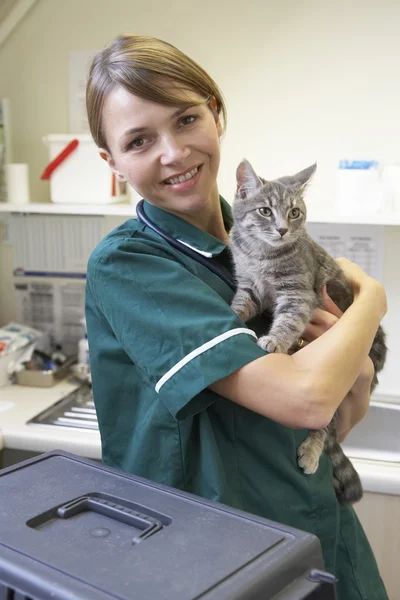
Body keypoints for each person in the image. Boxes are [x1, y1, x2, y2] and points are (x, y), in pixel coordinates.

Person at [85, 34, 388, 599]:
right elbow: (306, 397)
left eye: (186, 119)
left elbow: (340, 403)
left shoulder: (265, 234)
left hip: (317, 524)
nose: (173, 153)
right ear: (112, 162)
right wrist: (373, 299)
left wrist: (357, 378)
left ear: (216, 116)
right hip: (211, 549)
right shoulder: (129, 264)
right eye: (139, 140)